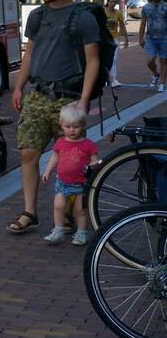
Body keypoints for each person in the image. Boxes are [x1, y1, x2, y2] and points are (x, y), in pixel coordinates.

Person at [8, 0, 100, 235]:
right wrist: (18, 86)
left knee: (72, 160)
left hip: (67, 97)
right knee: (28, 152)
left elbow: (93, 60)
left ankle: (70, 211)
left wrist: (84, 100)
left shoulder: (83, 17)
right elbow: (29, 53)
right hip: (38, 94)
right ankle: (30, 212)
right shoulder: (37, 16)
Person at [41, 104, 99, 245]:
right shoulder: (60, 142)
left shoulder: (88, 145)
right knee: (58, 206)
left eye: (76, 126)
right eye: (68, 126)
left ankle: (81, 233)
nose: (72, 130)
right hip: (62, 183)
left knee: (80, 210)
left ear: (83, 125)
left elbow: (95, 160)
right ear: (61, 125)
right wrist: (48, 170)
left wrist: (95, 165)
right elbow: (55, 157)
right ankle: (58, 230)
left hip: (81, 184)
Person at [139, 0, 167, 92]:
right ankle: (155, 74)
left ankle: (162, 83)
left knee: (164, 61)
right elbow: (143, 23)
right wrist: (140, 38)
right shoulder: (146, 8)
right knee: (149, 61)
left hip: (165, 38)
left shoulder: (165, 6)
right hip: (151, 38)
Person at [104, 0, 126, 88]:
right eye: (111, 1)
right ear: (107, 2)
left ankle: (114, 79)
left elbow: (122, 25)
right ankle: (105, 78)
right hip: (105, 38)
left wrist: (126, 38)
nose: (113, 3)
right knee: (105, 58)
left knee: (114, 58)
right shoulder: (103, 12)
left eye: (114, 2)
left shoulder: (118, 13)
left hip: (115, 38)